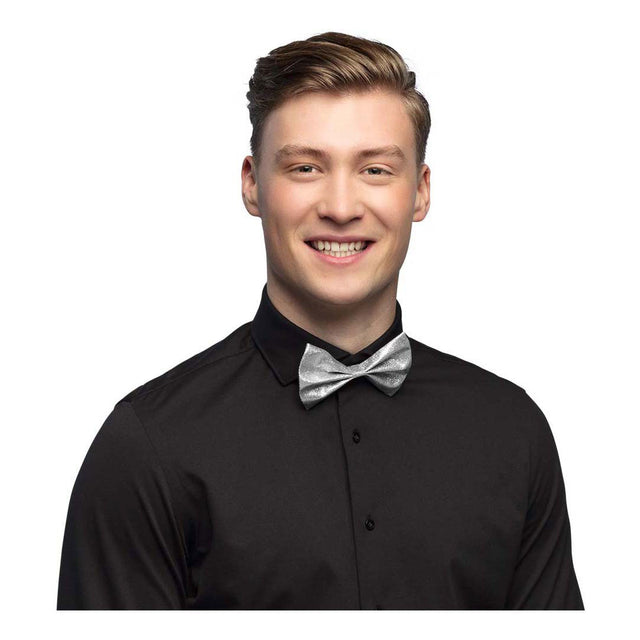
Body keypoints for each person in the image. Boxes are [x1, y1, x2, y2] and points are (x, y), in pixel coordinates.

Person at [56, 31, 584, 610]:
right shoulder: (147, 447)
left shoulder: (513, 433)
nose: (340, 207)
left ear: (419, 192)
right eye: (306, 167)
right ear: (252, 184)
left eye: (375, 170)